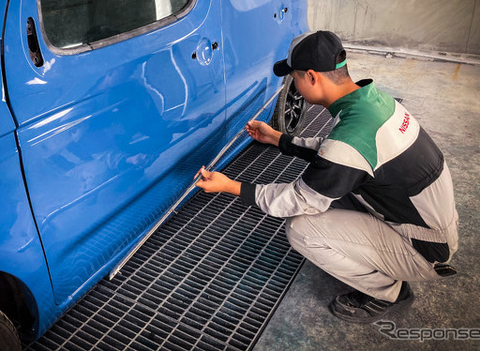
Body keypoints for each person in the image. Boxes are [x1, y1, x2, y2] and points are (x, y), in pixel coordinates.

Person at [195, 31, 459, 323]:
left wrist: (231, 186)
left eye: (294, 78)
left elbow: (298, 198)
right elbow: (335, 153)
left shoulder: (351, 139)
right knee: (331, 189)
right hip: (430, 223)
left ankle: (389, 292)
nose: (293, 85)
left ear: (311, 77)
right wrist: (278, 139)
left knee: (300, 228)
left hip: (423, 248)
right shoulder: (372, 102)